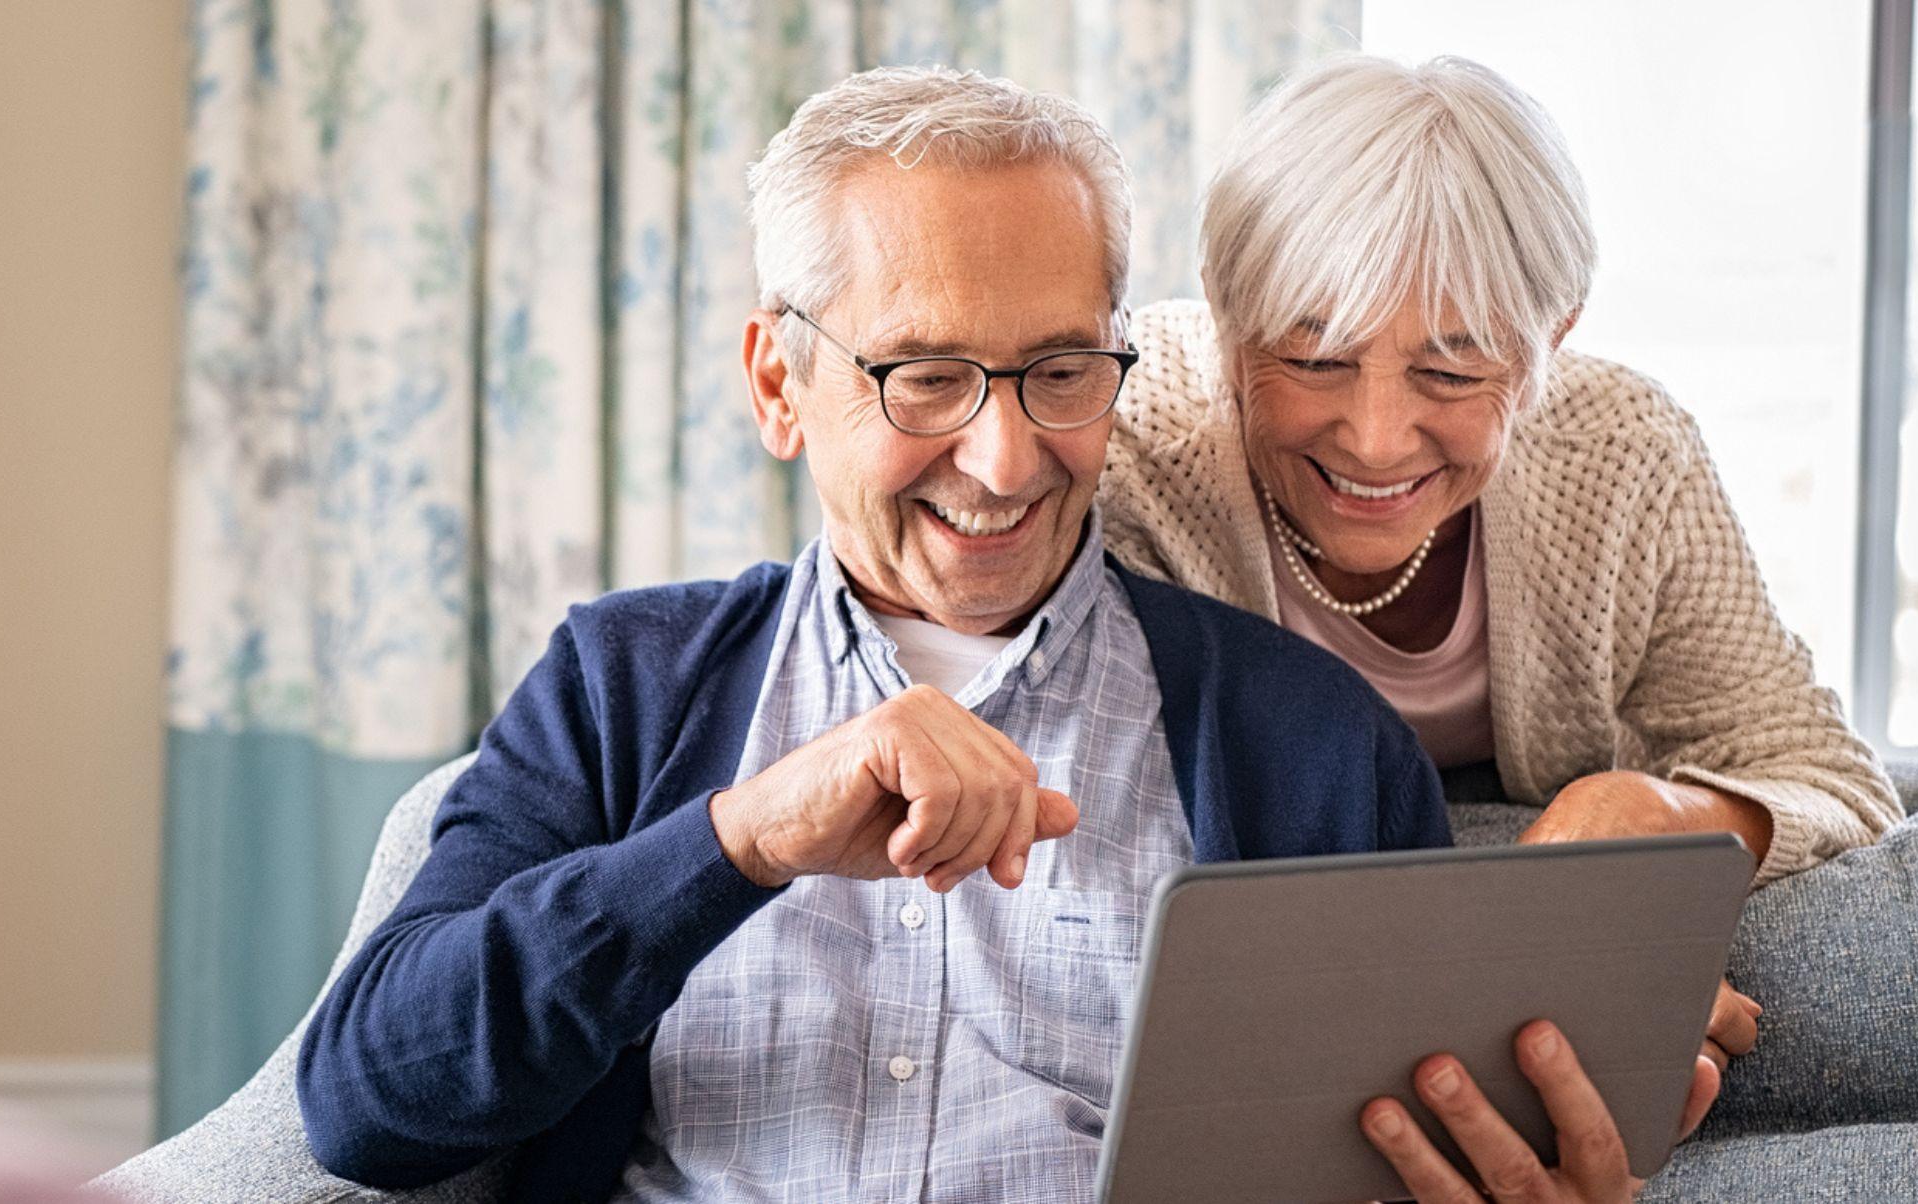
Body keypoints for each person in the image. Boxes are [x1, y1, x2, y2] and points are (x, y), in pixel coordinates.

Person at [292, 66, 1452, 1202]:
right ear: (778, 384)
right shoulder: (623, 685)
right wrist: (742, 841)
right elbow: (366, 1102)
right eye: (926, 378)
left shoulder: (1312, 743)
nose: (1003, 460)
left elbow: (1434, 1133)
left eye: (1058, 371)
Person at [1093, 54, 1899, 1199]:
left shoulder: (1618, 454)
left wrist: (1661, 813)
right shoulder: (1129, 447)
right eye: (1312, 358)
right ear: (1226, 323)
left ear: (1548, 341)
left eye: (1451, 368)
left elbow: (1830, 775)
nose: (1375, 438)